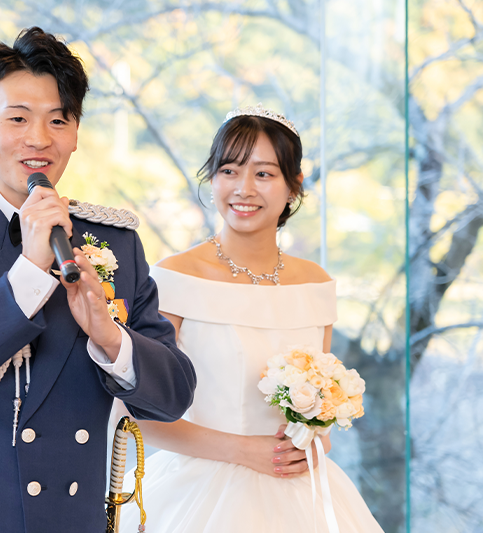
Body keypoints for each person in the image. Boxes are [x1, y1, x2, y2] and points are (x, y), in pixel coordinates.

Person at [0, 27, 196, 533]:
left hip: (75, 519)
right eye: (18, 118)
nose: (39, 139)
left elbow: (173, 395)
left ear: (76, 134)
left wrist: (109, 336)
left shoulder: (114, 243)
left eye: (58, 120)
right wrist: (28, 269)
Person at [117, 105, 383, 532]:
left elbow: (321, 412)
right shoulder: (175, 278)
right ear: (212, 178)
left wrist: (313, 441)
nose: (243, 188)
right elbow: (136, 414)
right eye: (229, 170)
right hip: (200, 494)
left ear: (294, 185)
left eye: (263, 173)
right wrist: (243, 451)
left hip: (303, 496)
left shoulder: (314, 284)